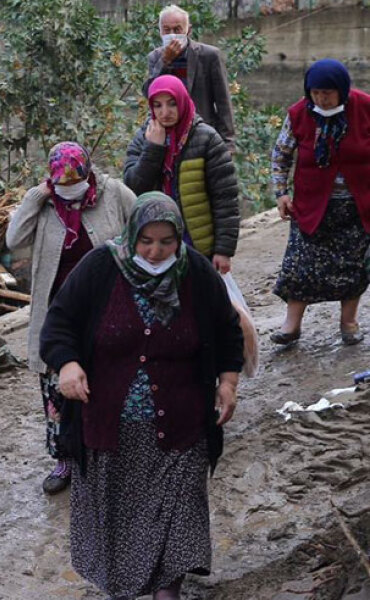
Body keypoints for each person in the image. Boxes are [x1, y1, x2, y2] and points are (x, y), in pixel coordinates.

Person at [39, 192, 243, 600]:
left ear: (178, 237)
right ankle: (130, 586)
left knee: (178, 513)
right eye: (147, 240)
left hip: (182, 425)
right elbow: (59, 322)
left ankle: (169, 590)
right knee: (123, 520)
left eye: (167, 241)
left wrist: (228, 382)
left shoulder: (197, 273)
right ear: (132, 235)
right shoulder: (100, 267)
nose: (155, 251)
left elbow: (227, 330)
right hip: (112, 426)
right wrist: (68, 363)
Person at [5, 142, 136, 496]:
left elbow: (144, 225)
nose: (71, 193)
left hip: (107, 309)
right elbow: (14, 239)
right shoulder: (45, 204)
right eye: (62, 186)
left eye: (76, 184)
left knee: (109, 385)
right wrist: (37, 196)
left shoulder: (113, 194)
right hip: (57, 316)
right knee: (57, 392)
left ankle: (112, 457)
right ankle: (64, 460)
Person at [270, 59, 370, 346]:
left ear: (342, 90)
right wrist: (281, 193)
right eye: (315, 93)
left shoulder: (364, 108)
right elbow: (280, 155)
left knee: (354, 266)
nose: (321, 99)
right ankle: (291, 325)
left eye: (327, 93)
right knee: (299, 265)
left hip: (357, 205)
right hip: (312, 205)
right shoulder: (300, 114)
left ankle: (349, 322)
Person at [124, 75, 239, 274]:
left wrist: (223, 250)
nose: (165, 112)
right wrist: (153, 149)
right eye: (158, 106)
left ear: (183, 101)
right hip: (156, 244)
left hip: (198, 244)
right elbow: (134, 187)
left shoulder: (207, 139)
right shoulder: (144, 138)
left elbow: (225, 200)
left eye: (172, 104)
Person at [146, 4, 235, 149]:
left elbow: (223, 102)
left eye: (177, 29)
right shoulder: (155, 57)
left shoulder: (208, 56)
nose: (172, 34)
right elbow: (149, 93)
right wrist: (165, 61)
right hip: (167, 137)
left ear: (188, 30)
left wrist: (228, 144)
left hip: (201, 135)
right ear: (160, 31)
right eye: (167, 30)